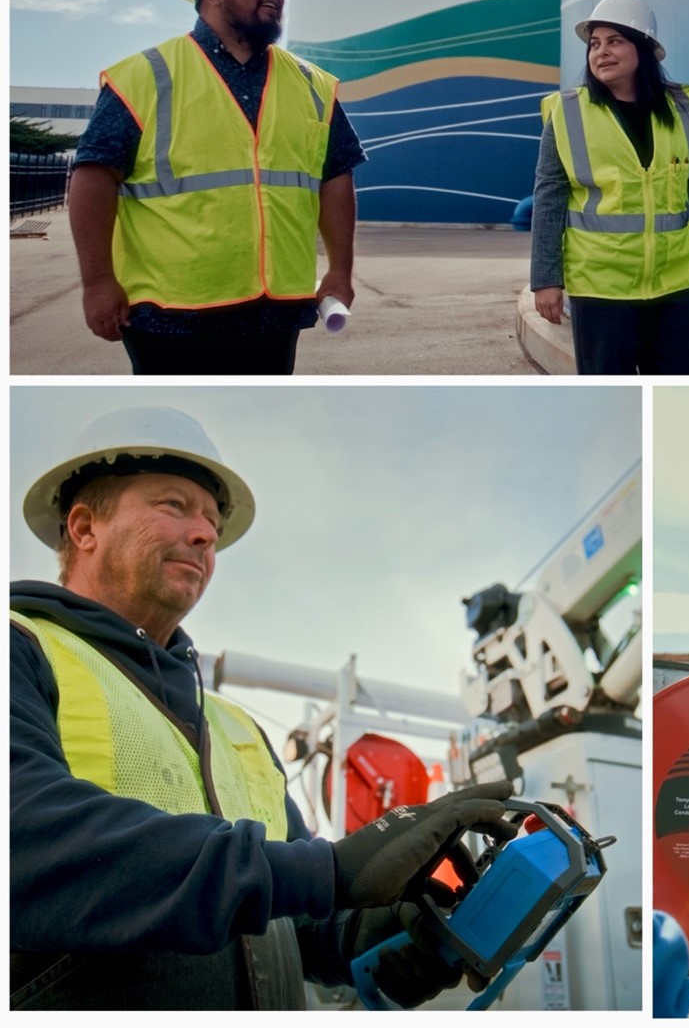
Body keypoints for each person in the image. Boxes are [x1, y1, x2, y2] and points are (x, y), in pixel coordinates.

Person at [11, 406, 518, 1010]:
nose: (203, 535)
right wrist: (328, 872)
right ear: (85, 527)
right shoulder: (20, 645)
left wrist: (388, 933)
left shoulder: (235, 728)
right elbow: (24, 840)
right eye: (173, 506)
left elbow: (292, 917)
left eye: (212, 525)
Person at [70, 0, 365, 375]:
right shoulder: (145, 76)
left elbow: (335, 177)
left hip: (275, 308)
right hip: (171, 313)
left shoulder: (313, 85)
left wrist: (341, 272)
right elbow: (93, 177)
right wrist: (97, 281)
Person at [529, 0, 689, 375]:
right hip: (600, 285)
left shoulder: (685, 109)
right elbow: (549, 199)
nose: (600, 52)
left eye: (615, 41)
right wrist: (545, 280)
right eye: (594, 44)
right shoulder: (568, 112)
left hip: (672, 283)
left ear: (643, 48)